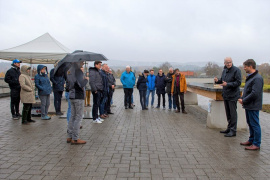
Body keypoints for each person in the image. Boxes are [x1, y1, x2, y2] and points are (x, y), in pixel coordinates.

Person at [238, 59, 264, 150]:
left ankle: (256, 144)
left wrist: (244, 100)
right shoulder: (251, 77)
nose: (244, 68)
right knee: (250, 123)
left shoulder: (257, 78)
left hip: (253, 105)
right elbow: (247, 91)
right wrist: (242, 98)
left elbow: (254, 93)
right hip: (249, 105)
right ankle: (251, 140)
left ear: (250, 66)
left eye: (245, 66)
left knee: (254, 124)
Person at [214, 57, 242, 137]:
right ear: (224, 63)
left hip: (233, 95)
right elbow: (222, 81)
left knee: (233, 113)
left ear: (232, 62)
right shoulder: (224, 70)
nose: (229, 64)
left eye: (230, 62)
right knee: (228, 113)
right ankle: (229, 128)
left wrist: (228, 84)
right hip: (226, 94)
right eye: (227, 62)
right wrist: (217, 81)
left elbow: (238, 82)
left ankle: (233, 130)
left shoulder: (236, 70)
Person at [66, 61, 88, 145]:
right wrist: (86, 79)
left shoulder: (69, 70)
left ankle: (69, 136)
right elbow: (81, 84)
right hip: (78, 96)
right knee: (78, 117)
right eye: (81, 61)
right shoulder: (78, 71)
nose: (83, 63)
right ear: (77, 62)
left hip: (71, 95)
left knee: (73, 116)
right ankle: (75, 138)